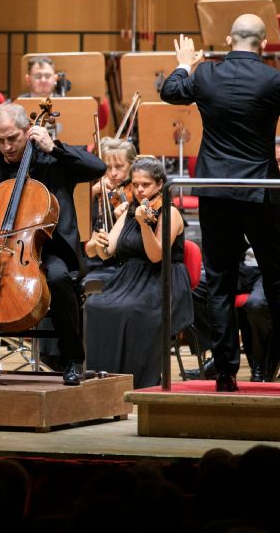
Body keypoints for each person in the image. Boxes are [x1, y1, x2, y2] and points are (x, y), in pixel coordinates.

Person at [161, 14, 280, 392]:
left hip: (216, 192)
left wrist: (185, 63)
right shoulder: (274, 80)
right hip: (260, 193)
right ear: (265, 44)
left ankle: (224, 375)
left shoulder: (204, 75)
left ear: (228, 38)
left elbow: (171, 91)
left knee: (219, 283)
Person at [0, 103, 106, 385]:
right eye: (0, 140)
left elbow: (98, 168)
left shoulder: (52, 159)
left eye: (13, 139)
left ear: (27, 130)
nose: (7, 147)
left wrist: (53, 147)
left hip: (48, 249)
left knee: (58, 279)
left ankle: (71, 359)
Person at [84, 157, 193, 388]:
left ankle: (137, 382)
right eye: (135, 184)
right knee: (95, 306)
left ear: (160, 185)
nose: (140, 190)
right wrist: (97, 243)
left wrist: (145, 225)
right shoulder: (128, 213)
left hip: (161, 279)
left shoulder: (170, 212)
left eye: (146, 184)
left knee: (132, 311)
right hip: (129, 279)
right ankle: (104, 380)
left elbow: (156, 255)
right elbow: (106, 252)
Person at [85, 138, 137, 273]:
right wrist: (92, 193)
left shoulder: (138, 193)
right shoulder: (94, 189)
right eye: (107, 167)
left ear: (132, 166)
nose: (113, 173)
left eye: (119, 167)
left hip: (124, 262)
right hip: (94, 261)